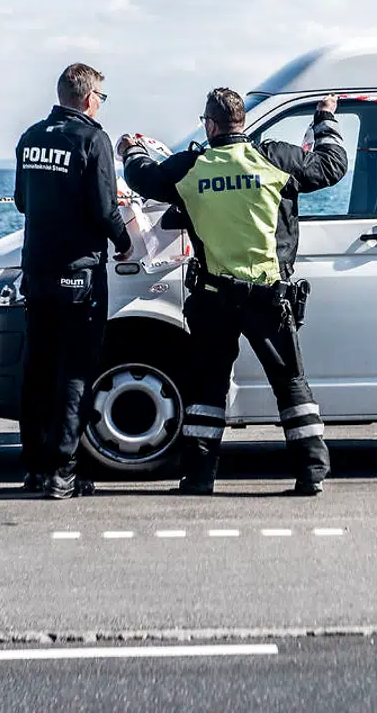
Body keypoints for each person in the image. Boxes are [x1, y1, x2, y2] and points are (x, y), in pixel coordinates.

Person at [120, 88, 347, 496]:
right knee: (290, 384)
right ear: (241, 121)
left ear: (209, 125)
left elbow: (143, 178)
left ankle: (199, 477)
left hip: (213, 297)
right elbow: (331, 167)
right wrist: (325, 118)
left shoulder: (192, 167)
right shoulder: (273, 157)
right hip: (268, 295)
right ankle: (311, 471)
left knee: (208, 389)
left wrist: (131, 150)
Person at [13, 63, 131, 500]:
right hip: (78, 273)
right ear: (87, 99)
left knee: (38, 369)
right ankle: (63, 470)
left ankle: (36, 466)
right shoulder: (92, 139)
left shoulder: (30, 138)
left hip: (37, 270)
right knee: (75, 372)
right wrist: (125, 242)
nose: (100, 104)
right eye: (101, 96)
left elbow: (22, 201)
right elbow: (104, 207)